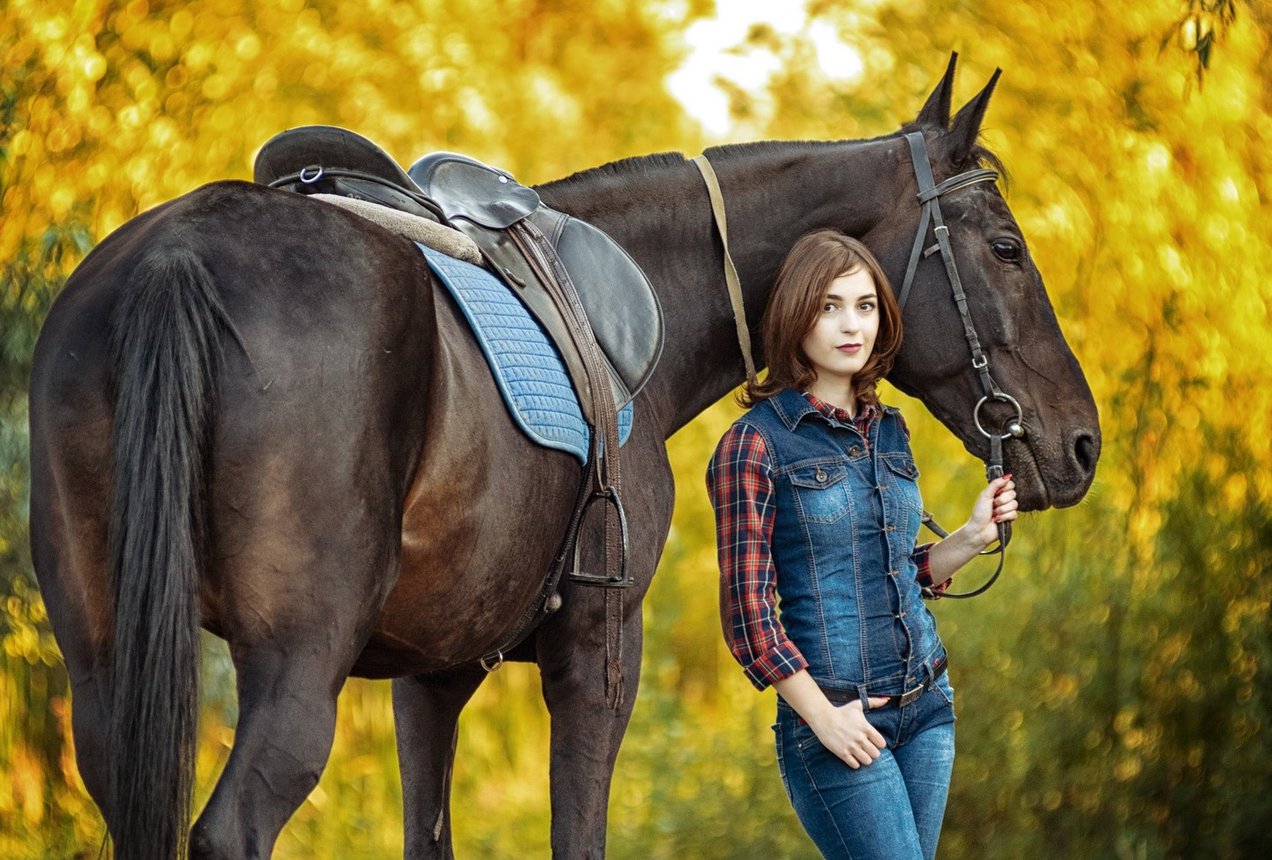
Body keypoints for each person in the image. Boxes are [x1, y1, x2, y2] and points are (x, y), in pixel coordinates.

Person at [706, 229, 1017, 859]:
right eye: (830, 306)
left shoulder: (890, 429)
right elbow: (747, 613)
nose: (852, 325)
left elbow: (897, 571)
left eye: (865, 305)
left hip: (927, 709)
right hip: (838, 724)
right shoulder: (755, 444)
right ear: (796, 317)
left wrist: (972, 537)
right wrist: (822, 718)